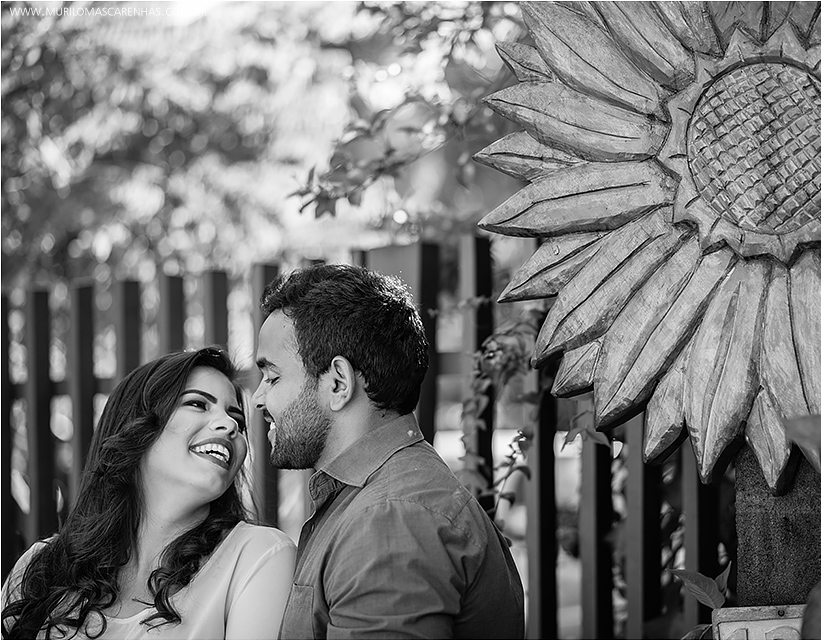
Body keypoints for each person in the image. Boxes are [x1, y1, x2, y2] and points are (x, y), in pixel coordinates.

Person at [253, 263, 525, 639]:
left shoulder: (389, 518)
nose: (258, 398)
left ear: (337, 383)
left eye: (272, 377)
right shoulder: (381, 501)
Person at [1, 347, 296, 639]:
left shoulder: (259, 556)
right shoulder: (40, 566)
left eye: (238, 420)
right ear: (136, 427)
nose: (231, 425)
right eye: (198, 404)